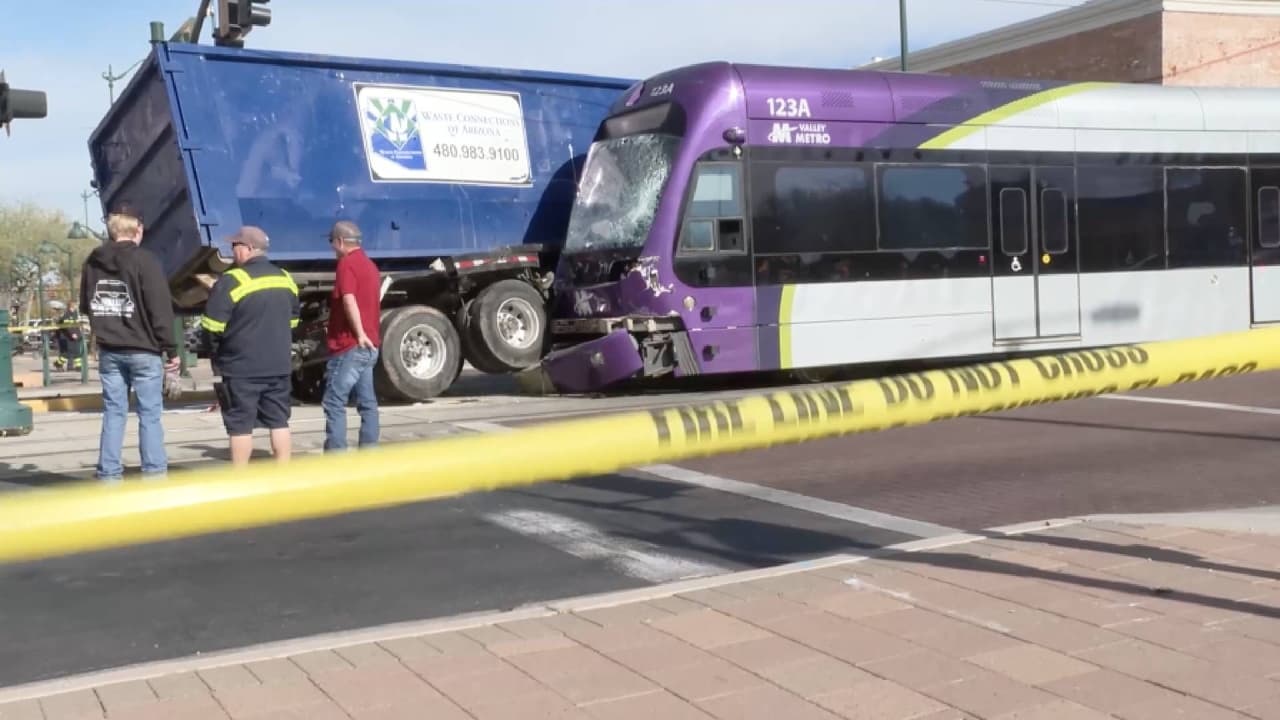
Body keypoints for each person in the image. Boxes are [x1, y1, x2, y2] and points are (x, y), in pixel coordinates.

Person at [79, 203, 179, 482]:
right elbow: (159, 308)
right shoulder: (145, 261)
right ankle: (154, 474)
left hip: (110, 350)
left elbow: (86, 305)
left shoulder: (92, 261)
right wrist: (171, 349)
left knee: (113, 412)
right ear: (138, 231)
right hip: (144, 349)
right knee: (150, 414)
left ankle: (109, 474)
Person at [198, 226, 300, 466]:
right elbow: (293, 320)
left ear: (249, 249)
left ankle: (241, 477)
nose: (232, 251)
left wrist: (216, 354)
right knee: (279, 421)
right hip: (278, 365)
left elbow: (212, 327)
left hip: (241, 367)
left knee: (240, 426)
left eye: (235, 246)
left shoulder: (233, 280)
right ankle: (284, 471)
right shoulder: (285, 278)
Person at [322, 220, 381, 451]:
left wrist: (359, 333)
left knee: (334, 401)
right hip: (370, 346)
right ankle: (369, 452)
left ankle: (336, 457)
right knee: (368, 403)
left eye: (331, 243)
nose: (332, 248)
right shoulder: (370, 266)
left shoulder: (346, 264)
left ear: (340, 241)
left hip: (350, 345)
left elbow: (349, 299)